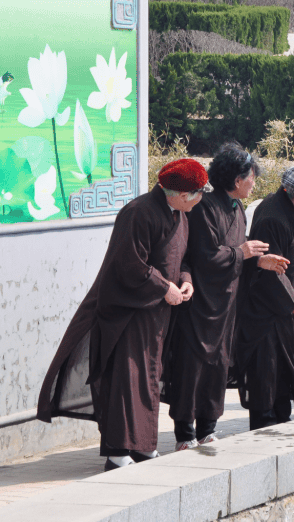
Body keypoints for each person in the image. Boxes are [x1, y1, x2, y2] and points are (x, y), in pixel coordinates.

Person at [36, 159, 208, 471]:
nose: (200, 200)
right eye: (198, 193)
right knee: (125, 382)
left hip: (157, 316)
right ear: (181, 194)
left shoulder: (180, 215)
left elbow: (184, 258)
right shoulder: (138, 212)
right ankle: (117, 453)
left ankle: (143, 447)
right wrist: (163, 287)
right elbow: (130, 265)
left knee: (148, 380)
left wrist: (186, 281)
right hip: (126, 314)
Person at [167, 144, 288, 451]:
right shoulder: (205, 208)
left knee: (218, 366)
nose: (253, 184)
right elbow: (204, 256)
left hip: (227, 305)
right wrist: (241, 252)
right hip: (200, 304)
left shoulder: (238, 210)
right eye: (251, 178)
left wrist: (259, 260)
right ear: (237, 180)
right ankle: (185, 432)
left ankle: (208, 426)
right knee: (191, 366)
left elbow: (237, 254)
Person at [235, 165, 294, 429]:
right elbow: (270, 269)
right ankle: (264, 425)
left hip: (287, 310)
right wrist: (292, 302)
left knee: (283, 374)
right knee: (266, 373)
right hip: (265, 313)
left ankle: (281, 420)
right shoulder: (272, 216)